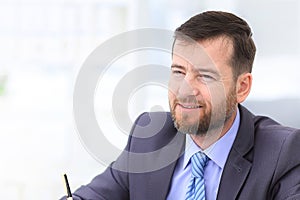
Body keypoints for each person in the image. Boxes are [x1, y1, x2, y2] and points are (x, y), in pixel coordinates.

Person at [60, 11, 300, 200]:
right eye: (178, 71)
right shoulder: (150, 135)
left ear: (242, 87)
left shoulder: (283, 152)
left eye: (205, 75)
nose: (185, 90)